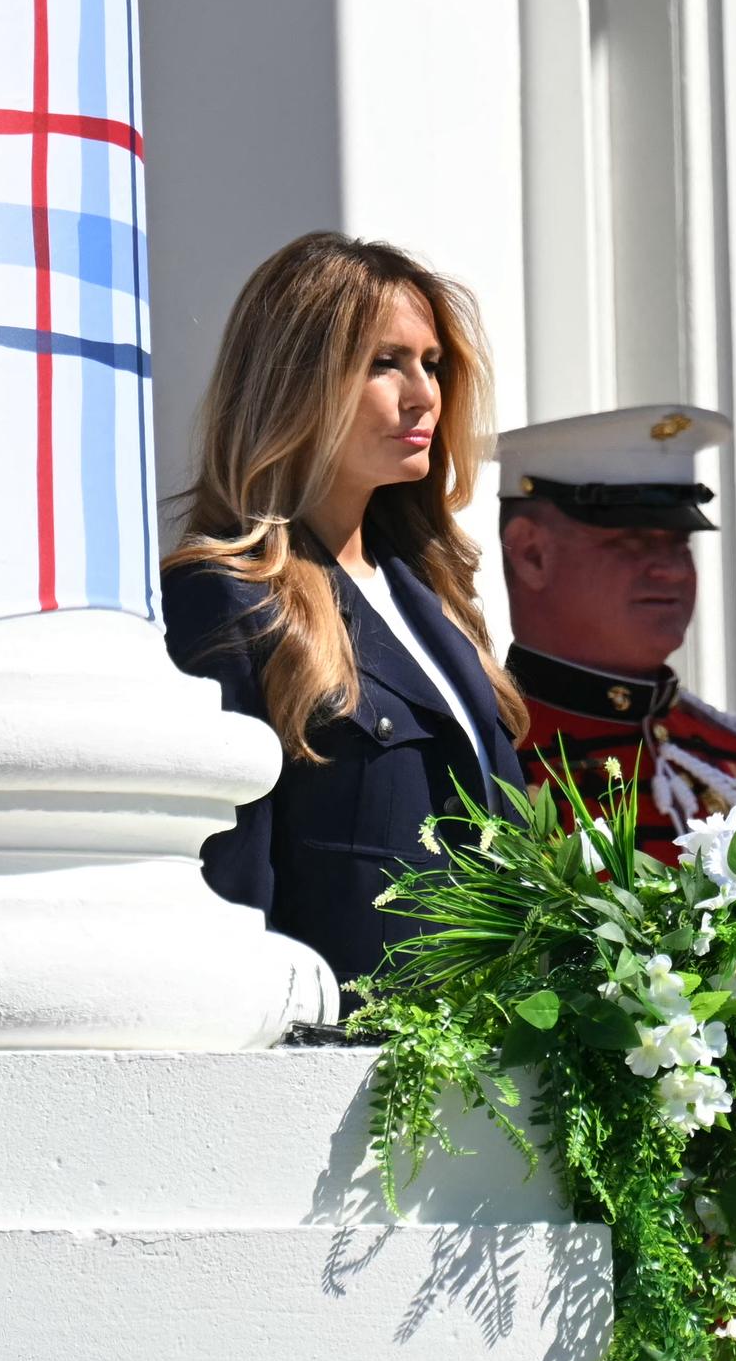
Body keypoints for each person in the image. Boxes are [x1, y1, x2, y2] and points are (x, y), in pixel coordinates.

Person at [162, 232, 528, 1003]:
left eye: (431, 363)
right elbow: (230, 886)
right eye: (383, 363)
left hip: (486, 1073)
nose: (423, 393)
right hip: (339, 1077)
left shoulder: (435, 595)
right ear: (296, 381)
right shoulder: (226, 598)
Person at [498, 405, 736, 880]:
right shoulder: (487, 766)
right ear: (532, 554)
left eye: (678, 543)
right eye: (630, 541)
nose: (669, 569)